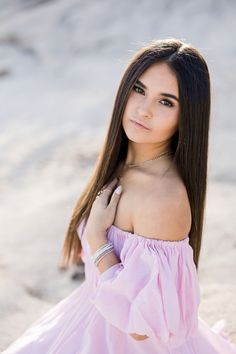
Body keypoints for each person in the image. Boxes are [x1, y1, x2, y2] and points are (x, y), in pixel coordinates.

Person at [2, 38, 236, 354]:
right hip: (84, 322)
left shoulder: (162, 197)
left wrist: (100, 240)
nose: (143, 109)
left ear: (187, 116)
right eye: (139, 90)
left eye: (165, 102)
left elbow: (144, 327)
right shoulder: (123, 162)